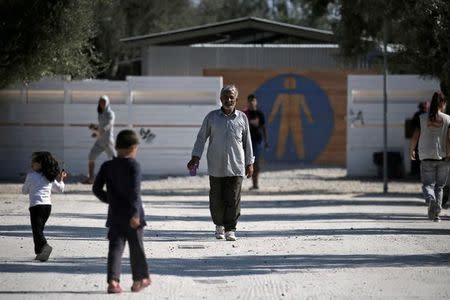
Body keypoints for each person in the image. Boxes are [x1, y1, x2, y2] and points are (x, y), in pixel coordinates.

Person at [187, 85, 254, 241]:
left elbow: (247, 142)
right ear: (220, 99)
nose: (228, 99)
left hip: (237, 166)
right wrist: (195, 156)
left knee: (233, 198)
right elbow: (201, 138)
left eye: (231, 97)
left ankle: (231, 229)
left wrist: (250, 163)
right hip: (216, 166)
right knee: (216, 198)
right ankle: (219, 226)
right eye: (225, 96)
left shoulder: (242, 118)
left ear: (236, 99)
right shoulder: (211, 117)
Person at [92, 129, 151, 294]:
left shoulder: (107, 166)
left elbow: (96, 189)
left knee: (115, 249)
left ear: (117, 147)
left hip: (115, 216)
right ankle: (140, 280)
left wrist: (110, 200)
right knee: (136, 249)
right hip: (134, 217)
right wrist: (135, 214)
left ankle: (113, 282)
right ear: (133, 147)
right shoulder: (134, 166)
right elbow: (134, 192)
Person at [410, 92, 450, 222]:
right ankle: (436, 214)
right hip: (443, 157)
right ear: (443, 103)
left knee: (428, 185)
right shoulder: (448, 119)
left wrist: (412, 150)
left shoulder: (422, 118)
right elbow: (449, 139)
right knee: (439, 187)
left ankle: (430, 200)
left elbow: (415, 136)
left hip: (426, 156)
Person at [22, 151, 66, 261]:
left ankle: (45, 246)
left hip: (36, 207)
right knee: (39, 230)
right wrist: (61, 180)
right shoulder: (49, 177)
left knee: (37, 231)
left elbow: (24, 191)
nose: (32, 164)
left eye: (34, 162)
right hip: (47, 207)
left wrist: (28, 185)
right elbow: (60, 189)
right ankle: (40, 253)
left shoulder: (31, 175)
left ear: (41, 164)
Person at [83, 95, 116, 184]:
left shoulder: (110, 113)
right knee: (91, 157)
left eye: (104, 102)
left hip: (108, 141)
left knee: (115, 160)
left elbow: (109, 125)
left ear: (107, 103)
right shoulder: (100, 114)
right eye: (100, 102)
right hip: (100, 141)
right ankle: (91, 178)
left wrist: (98, 132)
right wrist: (94, 127)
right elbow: (101, 127)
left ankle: (119, 178)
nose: (102, 103)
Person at [244, 94, 269, 190]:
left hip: (257, 141)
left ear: (256, 102)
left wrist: (266, 140)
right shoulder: (244, 114)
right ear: (247, 102)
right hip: (246, 141)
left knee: (256, 162)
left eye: (253, 101)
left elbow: (264, 128)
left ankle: (255, 183)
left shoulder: (260, 114)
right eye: (249, 101)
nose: (251, 103)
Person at [410, 101, 429, 177]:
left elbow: (412, 125)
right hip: (426, 139)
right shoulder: (428, 115)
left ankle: (415, 173)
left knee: (415, 156)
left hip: (417, 138)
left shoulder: (416, 115)